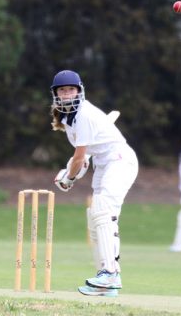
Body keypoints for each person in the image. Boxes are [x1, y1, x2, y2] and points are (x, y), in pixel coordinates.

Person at [50, 70, 139, 297]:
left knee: (103, 212)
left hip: (119, 160)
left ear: (79, 91)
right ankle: (106, 277)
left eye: (71, 89)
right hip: (104, 162)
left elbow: (80, 158)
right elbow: (85, 157)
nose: (67, 94)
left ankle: (110, 273)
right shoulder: (68, 119)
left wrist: (68, 178)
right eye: (63, 90)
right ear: (56, 95)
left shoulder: (84, 114)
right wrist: (73, 172)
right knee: (96, 217)